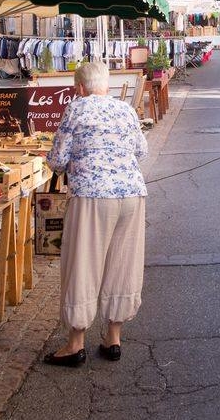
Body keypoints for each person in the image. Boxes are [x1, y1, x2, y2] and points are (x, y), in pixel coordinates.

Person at [44, 61, 148, 367]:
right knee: (123, 262)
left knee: (83, 263)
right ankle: (113, 337)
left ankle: (75, 344)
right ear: (107, 85)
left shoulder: (76, 109)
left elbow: (58, 159)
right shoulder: (125, 109)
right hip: (131, 193)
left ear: (79, 87)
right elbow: (141, 151)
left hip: (92, 195)